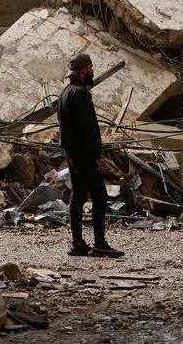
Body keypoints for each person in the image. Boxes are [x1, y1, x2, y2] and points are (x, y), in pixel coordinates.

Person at [57, 53, 123, 258]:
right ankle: (100, 243)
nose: (93, 71)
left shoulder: (65, 92)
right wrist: (97, 156)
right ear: (85, 69)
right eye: (91, 67)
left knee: (77, 196)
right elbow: (88, 129)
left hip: (72, 153)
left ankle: (78, 243)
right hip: (85, 154)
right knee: (100, 196)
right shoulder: (82, 93)